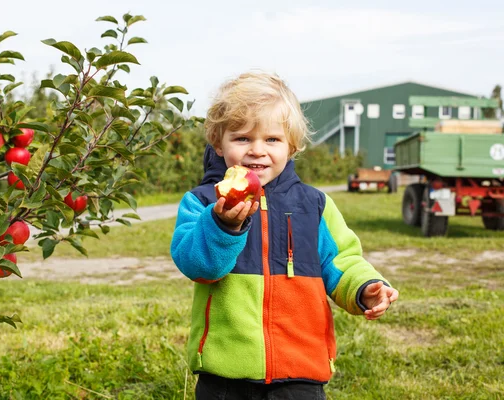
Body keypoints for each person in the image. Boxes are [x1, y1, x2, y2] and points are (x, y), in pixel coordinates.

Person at [170, 71, 399, 400]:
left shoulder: (314, 205)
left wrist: (365, 288)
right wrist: (223, 226)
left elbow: (342, 261)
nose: (257, 151)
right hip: (226, 375)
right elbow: (199, 266)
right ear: (219, 143)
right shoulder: (205, 202)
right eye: (242, 138)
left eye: (272, 140)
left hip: (300, 370)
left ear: (292, 145)